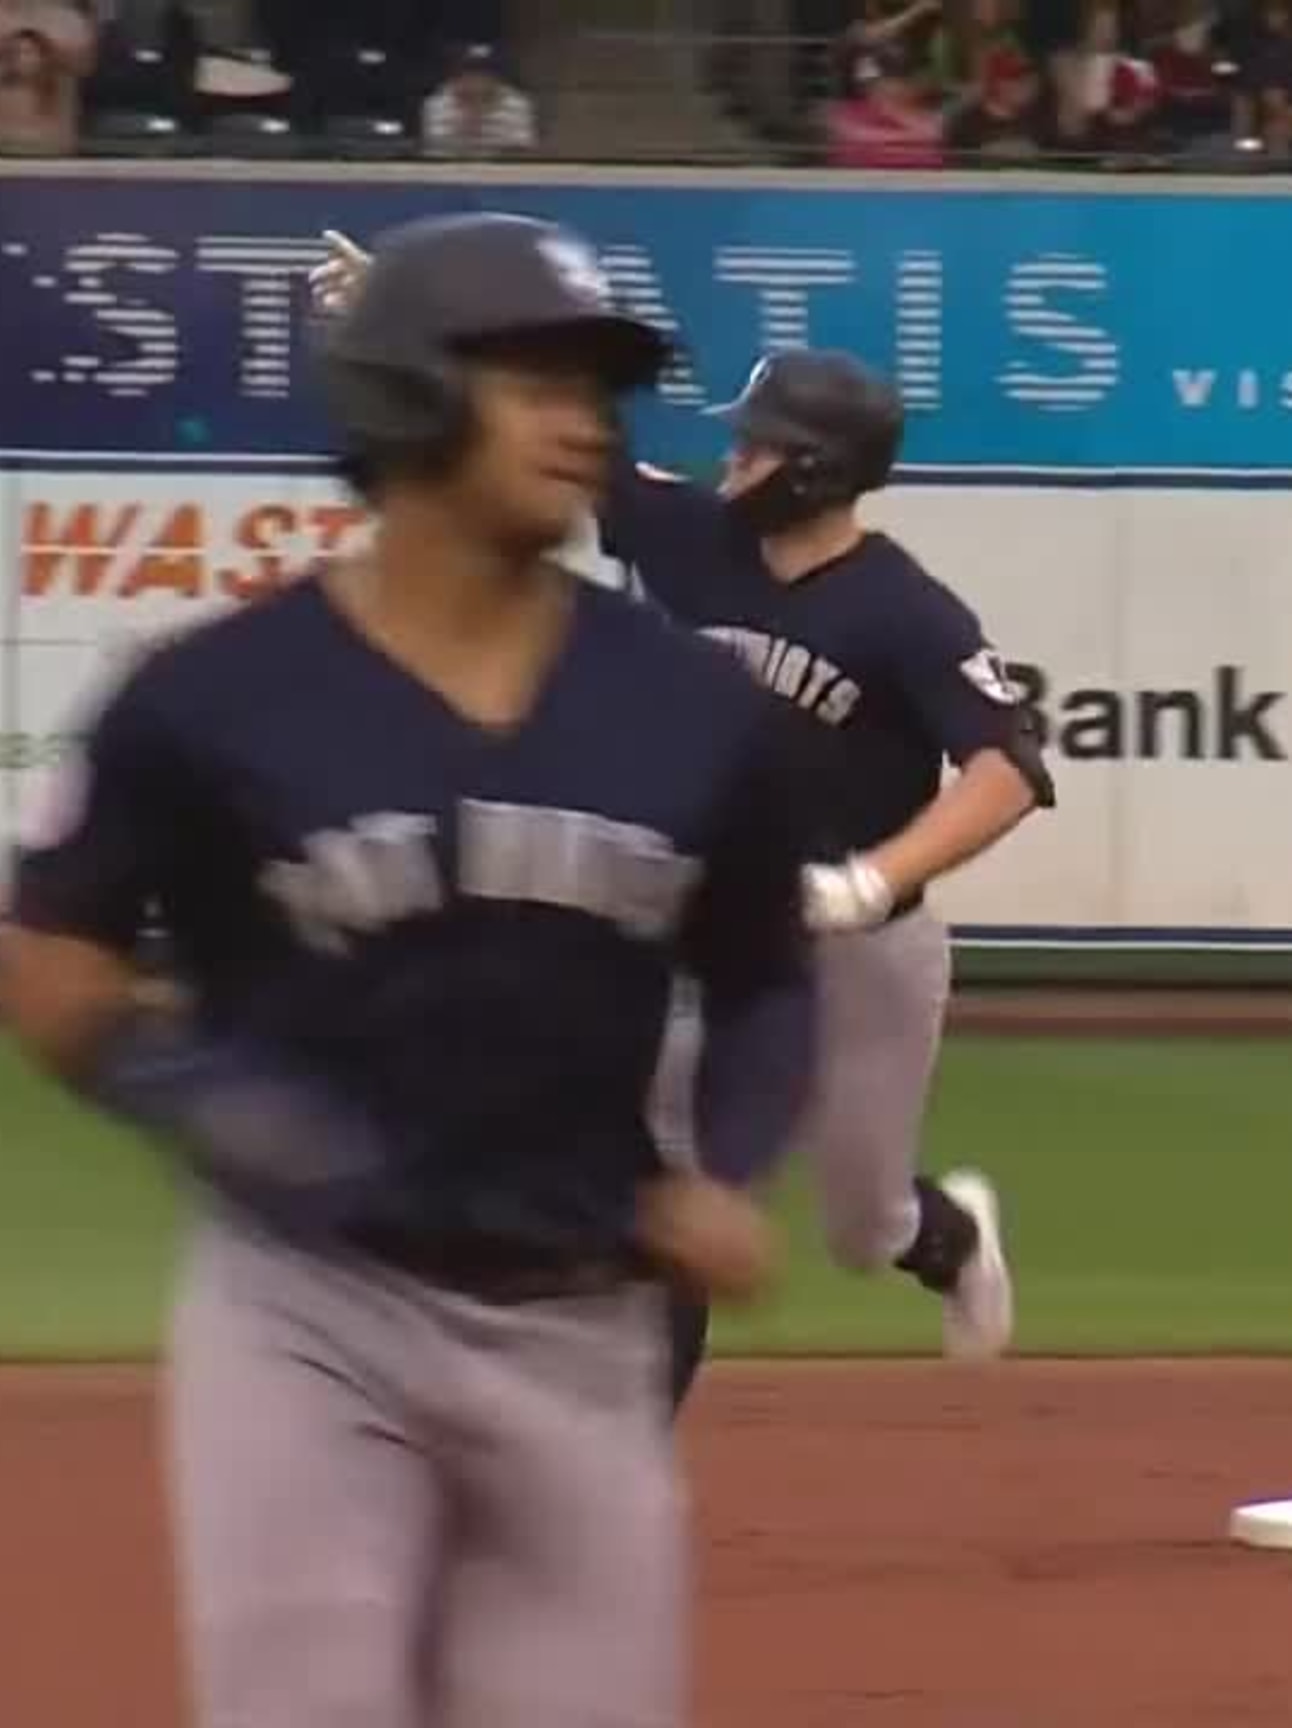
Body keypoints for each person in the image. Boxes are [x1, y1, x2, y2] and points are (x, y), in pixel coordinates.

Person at [0, 212, 820, 1727]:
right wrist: (213, 1102)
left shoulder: (693, 709)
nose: (588, 422)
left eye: (598, 387)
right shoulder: (213, 698)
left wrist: (735, 1165)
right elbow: (54, 965)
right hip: (308, 1312)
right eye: (537, 381)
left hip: (582, 1325)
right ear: (405, 398)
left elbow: (769, 979)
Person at [313, 239, 1045, 1412]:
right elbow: (510, 435)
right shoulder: (687, 534)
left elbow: (1006, 770)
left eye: (757, 444)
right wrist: (396, 330)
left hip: (863, 947)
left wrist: (871, 878)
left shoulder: (903, 612)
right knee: (663, 1165)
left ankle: (946, 1235)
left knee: (862, 1223)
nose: (733, 455)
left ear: (814, 470)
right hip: (702, 926)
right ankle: (627, 1436)